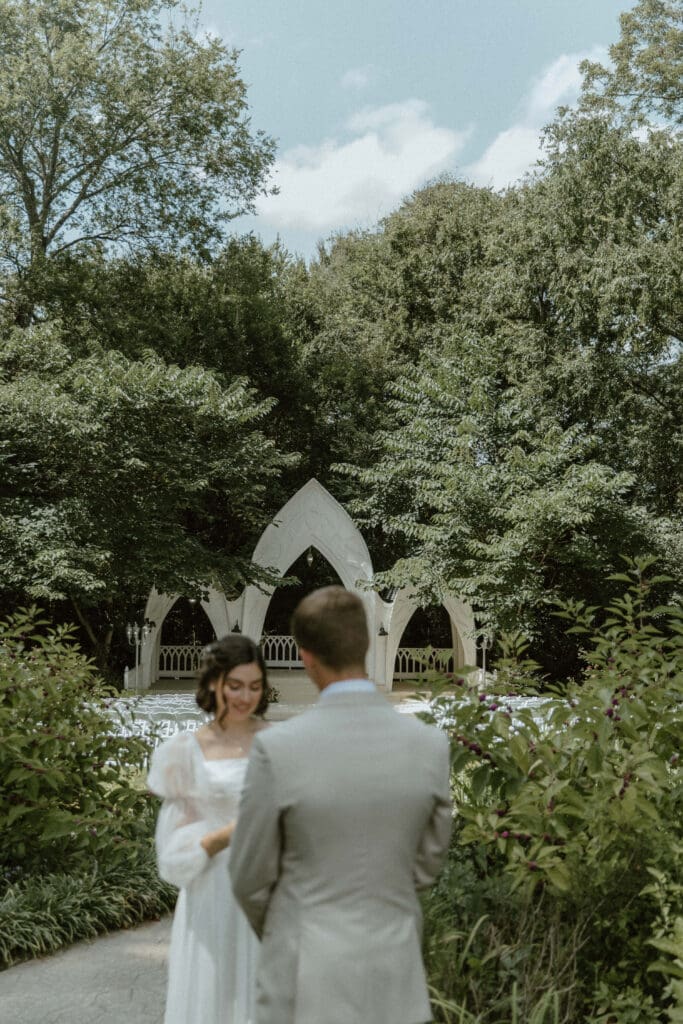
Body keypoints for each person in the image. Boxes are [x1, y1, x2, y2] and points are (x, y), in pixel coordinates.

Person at [229, 586, 453, 1024]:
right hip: (394, 968)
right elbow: (427, 865)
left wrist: (285, 928)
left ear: (305, 656)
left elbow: (248, 877)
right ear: (365, 646)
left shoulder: (278, 749)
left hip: (302, 974)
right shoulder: (429, 745)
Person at [147, 634, 270, 1024]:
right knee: (212, 996)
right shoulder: (184, 752)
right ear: (214, 683)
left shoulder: (277, 744)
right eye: (235, 686)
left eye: (254, 686)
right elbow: (171, 855)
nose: (244, 697)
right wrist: (227, 834)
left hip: (268, 887)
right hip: (211, 889)